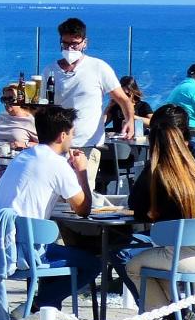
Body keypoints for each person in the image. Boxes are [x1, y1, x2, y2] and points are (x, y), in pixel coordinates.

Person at [124, 104, 195, 320]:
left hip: (181, 254)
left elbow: (136, 204)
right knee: (155, 265)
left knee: (133, 265)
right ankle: (180, 316)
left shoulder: (161, 169)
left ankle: (175, 316)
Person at [0, 105, 101, 310]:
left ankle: (45, 312)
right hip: (27, 252)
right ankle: (39, 305)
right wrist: (82, 172)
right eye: (71, 134)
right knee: (92, 264)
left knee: (61, 251)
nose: (72, 138)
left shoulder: (22, 157)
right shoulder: (57, 164)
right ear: (62, 135)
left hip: (1, 245)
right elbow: (83, 209)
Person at [41, 17, 135, 191]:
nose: (69, 48)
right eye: (65, 44)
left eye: (74, 44)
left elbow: (123, 99)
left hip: (87, 145)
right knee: (54, 195)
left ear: (85, 43)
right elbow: (43, 107)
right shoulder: (50, 70)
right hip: (56, 145)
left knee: (82, 194)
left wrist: (129, 121)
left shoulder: (98, 67)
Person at [0, 83, 38, 149]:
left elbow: (44, 146)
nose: (7, 102)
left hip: (14, 158)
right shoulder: (2, 116)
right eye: (4, 99)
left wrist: (25, 144)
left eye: (11, 99)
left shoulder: (30, 120)